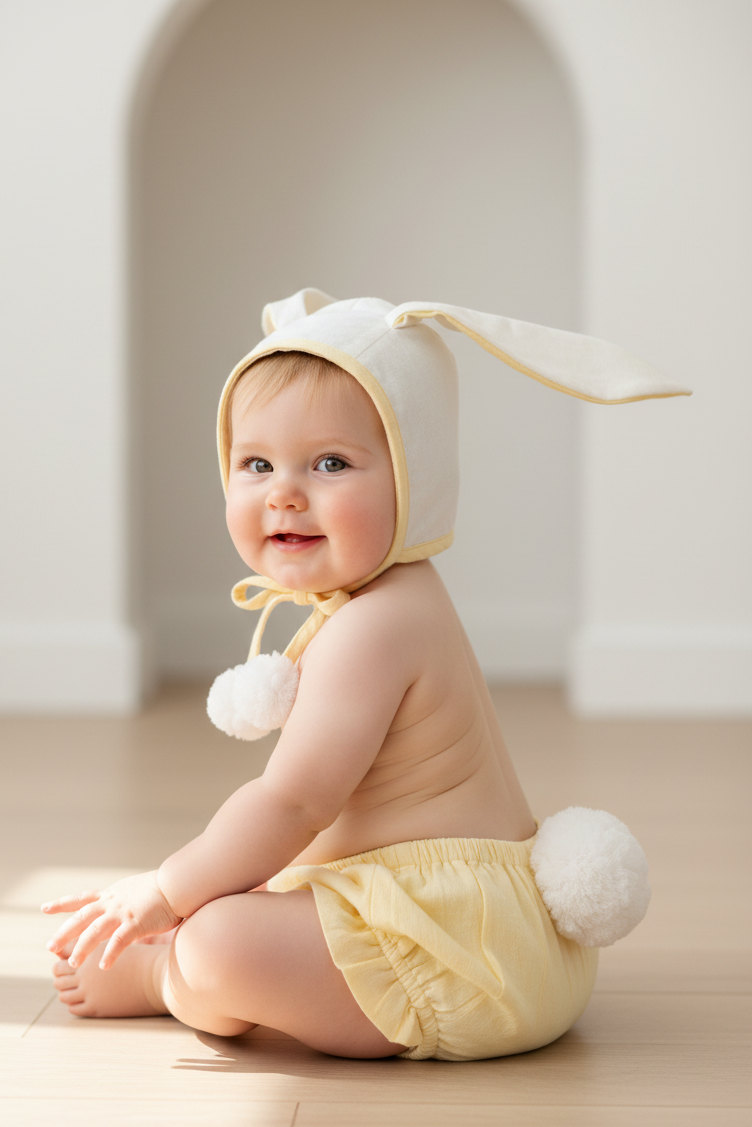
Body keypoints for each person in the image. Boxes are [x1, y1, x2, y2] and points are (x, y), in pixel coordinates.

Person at [43, 291, 687, 1061]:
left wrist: (168, 888)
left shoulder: (376, 626)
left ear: (414, 481)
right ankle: (216, 960)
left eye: (331, 463)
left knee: (218, 937)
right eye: (255, 463)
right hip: (461, 932)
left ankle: (165, 980)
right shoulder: (384, 601)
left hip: (461, 954)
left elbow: (293, 801)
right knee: (236, 892)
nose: (284, 491)